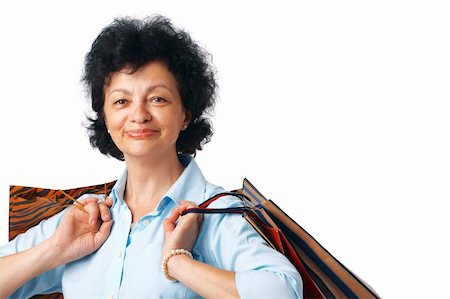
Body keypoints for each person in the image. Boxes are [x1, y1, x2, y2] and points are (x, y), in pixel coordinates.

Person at [0, 15, 302, 299]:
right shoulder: (84, 219)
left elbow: (284, 291)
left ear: (185, 113)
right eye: (121, 101)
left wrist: (178, 262)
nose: (139, 115)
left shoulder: (209, 214)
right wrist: (55, 250)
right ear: (104, 115)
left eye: (158, 99)